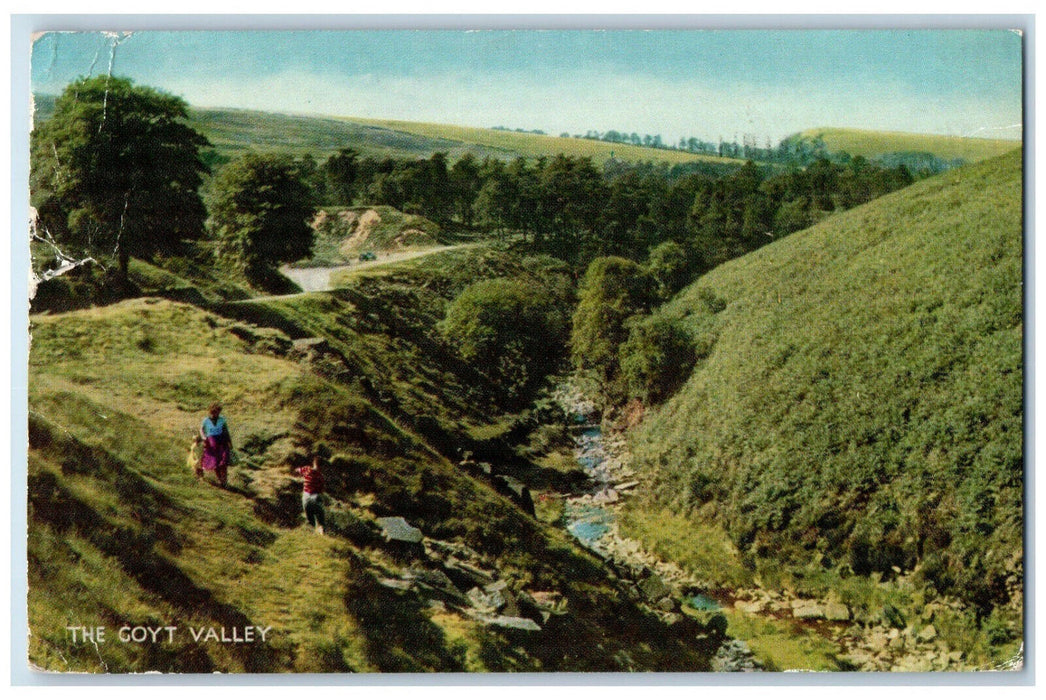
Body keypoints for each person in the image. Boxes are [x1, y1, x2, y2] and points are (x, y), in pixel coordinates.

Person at [199, 402, 232, 487]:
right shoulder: (206, 420)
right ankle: (220, 480)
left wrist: (229, 441)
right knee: (215, 462)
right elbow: (202, 430)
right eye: (214, 412)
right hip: (212, 442)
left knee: (223, 462)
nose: (216, 414)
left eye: (218, 412)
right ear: (211, 411)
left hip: (222, 440)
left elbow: (225, 430)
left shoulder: (222, 419)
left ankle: (224, 482)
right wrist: (204, 438)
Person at [297, 456, 327, 535]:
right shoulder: (320, 477)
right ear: (322, 467)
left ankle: (311, 536)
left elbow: (298, 470)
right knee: (321, 521)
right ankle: (322, 535)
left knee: (310, 522)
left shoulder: (307, 469)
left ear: (314, 463)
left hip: (306, 498)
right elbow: (321, 490)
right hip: (316, 497)